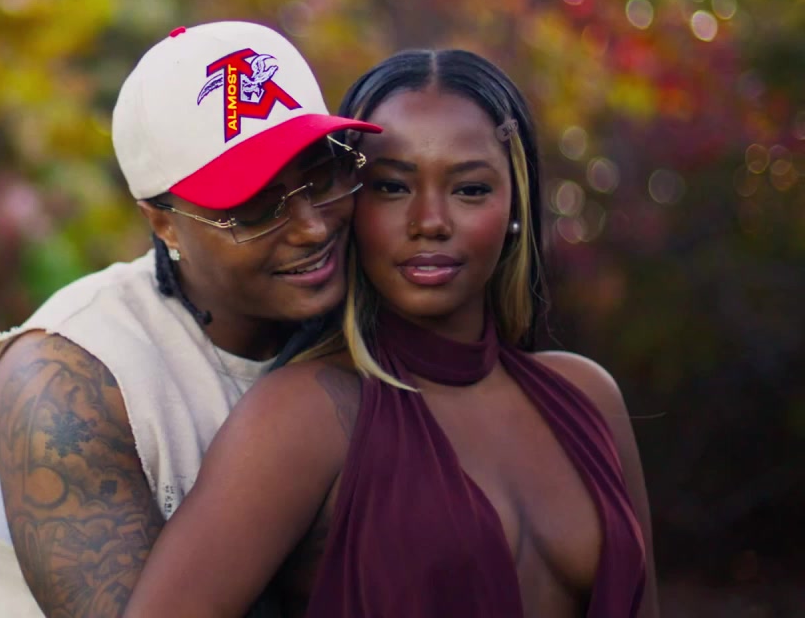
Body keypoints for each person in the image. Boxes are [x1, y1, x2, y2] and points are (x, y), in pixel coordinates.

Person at [123, 49, 659, 618]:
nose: (430, 222)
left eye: (470, 189)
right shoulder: (305, 416)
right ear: (350, 199)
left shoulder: (588, 396)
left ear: (514, 207)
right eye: (391, 188)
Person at [0, 21, 384, 617]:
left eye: (321, 176)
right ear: (163, 223)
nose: (313, 226)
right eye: (256, 208)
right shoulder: (67, 381)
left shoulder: (365, 320)